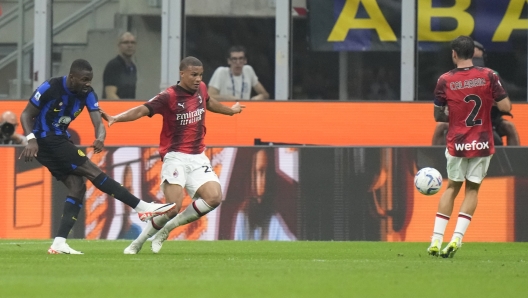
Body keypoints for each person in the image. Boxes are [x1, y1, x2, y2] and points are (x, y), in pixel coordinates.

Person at [18, 59, 175, 254]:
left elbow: (98, 121)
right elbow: (25, 114)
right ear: (72, 77)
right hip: (44, 139)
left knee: (77, 186)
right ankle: (141, 207)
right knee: (91, 170)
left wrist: (100, 137)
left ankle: (59, 243)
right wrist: (31, 139)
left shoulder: (88, 93)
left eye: (90, 80)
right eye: (84, 79)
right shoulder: (51, 87)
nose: (87, 83)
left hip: (59, 140)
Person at [100, 56, 245, 254]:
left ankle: (165, 230)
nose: (198, 79)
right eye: (194, 75)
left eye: (200, 75)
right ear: (182, 73)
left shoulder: (201, 88)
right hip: (175, 156)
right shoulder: (168, 96)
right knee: (173, 208)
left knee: (214, 198)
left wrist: (231, 111)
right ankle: (138, 243)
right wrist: (117, 118)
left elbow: (209, 103)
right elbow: (142, 110)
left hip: (197, 156)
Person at [427, 36, 512, 258]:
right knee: (472, 189)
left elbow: (438, 116)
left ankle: (436, 240)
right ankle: (457, 238)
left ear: (454, 54)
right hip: (483, 140)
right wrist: (488, 99)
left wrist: (455, 110)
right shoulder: (489, 76)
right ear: (473, 54)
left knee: (452, 187)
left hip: (458, 141)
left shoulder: (444, 80)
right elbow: (506, 106)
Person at [432, 41, 520, 146]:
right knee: (441, 126)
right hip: (460, 120)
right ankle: (437, 161)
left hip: (490, 120)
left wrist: (495, 101)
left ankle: (514, 161)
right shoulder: (449, 78)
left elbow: (507, 104)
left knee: (509, 127)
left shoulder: (493, 76)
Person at [233, 149, 295, 240]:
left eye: (267, 172)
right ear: (252, 175)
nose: (264, 179)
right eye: (260, 171)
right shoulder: (243, 215)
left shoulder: (274, 218)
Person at [102, 32, 137, 99]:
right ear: (119, 45)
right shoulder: (114, 65)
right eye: (126, 42)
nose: (130, 45)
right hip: (115, 108)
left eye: (132, 42)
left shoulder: (133, 67)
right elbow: (110, 95)